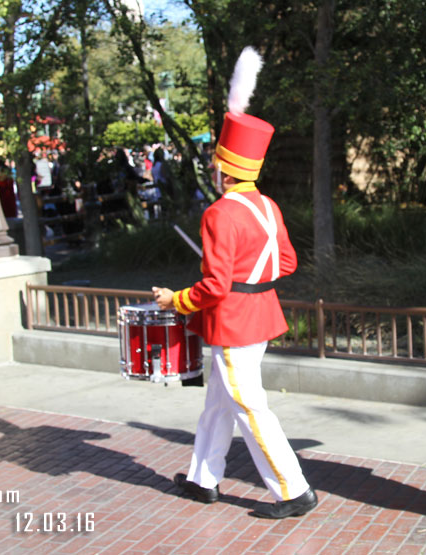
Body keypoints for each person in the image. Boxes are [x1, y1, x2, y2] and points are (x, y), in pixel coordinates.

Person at [151, 48, 317, 520]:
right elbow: (286, 261)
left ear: (224, 167)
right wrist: (254, 277)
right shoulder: (268, 206)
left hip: (234, 323)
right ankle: (204, 479)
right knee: (218, 405)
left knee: (248, 407)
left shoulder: (219, 213)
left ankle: (292, 489)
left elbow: (215, 286)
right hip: (261, 316)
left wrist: (175, 300)